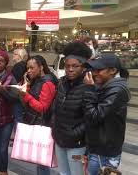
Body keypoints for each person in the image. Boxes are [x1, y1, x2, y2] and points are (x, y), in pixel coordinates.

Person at [83, 54, 131, 175]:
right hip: (97, 147)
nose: (94, 73)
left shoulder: (116, 90)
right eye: (93, 70)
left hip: (104, 152)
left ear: (113, 71)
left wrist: (89, 90)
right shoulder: (104, 86)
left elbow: (94, 116)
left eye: (98, 70)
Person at [52, 41, 92, 175]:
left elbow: (90, 117)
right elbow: (55, 108)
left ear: (83, 67)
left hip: (77, 144)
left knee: (77, 173)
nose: (70, 69)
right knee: (63, 172)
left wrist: (74, 134)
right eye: (67, 65)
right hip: (59, 139)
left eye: (75, 66)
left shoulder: (89, 86)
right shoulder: (61, 83)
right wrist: (54, 127)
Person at [18, 55, 58, 175]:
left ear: (41, 67)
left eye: (32, 68)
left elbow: (42, 108)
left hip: (43, 125)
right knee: (39, 161)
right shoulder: (37, 80)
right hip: (36, 123)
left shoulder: (47, 82)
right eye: (27, 68)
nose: (28, 71)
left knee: (42, 162)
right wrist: (27, 85)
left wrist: (26, 95)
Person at [11, 48, 28, 124]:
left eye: (15, 54)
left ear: (20, 56)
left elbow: (16, 82)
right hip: (24, 94)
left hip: (18, 95)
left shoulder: (18, 66)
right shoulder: (25, 64)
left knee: (18, 117)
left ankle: (18, 135)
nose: (13, 55)